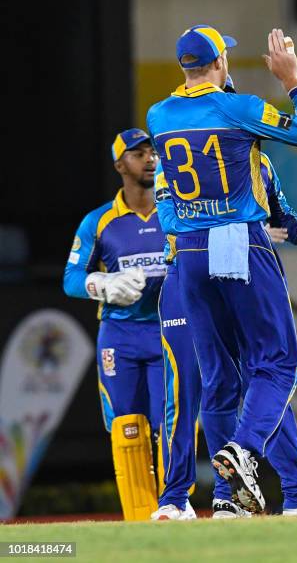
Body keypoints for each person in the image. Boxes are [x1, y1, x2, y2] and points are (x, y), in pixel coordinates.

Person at [149, 60, 297, 517]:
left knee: (238, 383)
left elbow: (283, 219)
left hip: (202, 261)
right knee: (247, 376)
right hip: (201, 262)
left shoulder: (253, 162)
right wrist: (242, 228)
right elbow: (173, 217)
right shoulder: (220, 124)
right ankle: (186, 493)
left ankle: (285, 494)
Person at [62, 129, 183, 520]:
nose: (149, 159)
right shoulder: (99, 222)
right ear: (119, 165)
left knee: (172, 422)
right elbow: (71, 279)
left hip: (170, 331)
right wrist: (104, 284)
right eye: (137, 154)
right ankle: (139, 517)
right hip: (121, 336)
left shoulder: (177, 213)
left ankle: (174, 508)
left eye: (152, 152)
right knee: (127, 427)